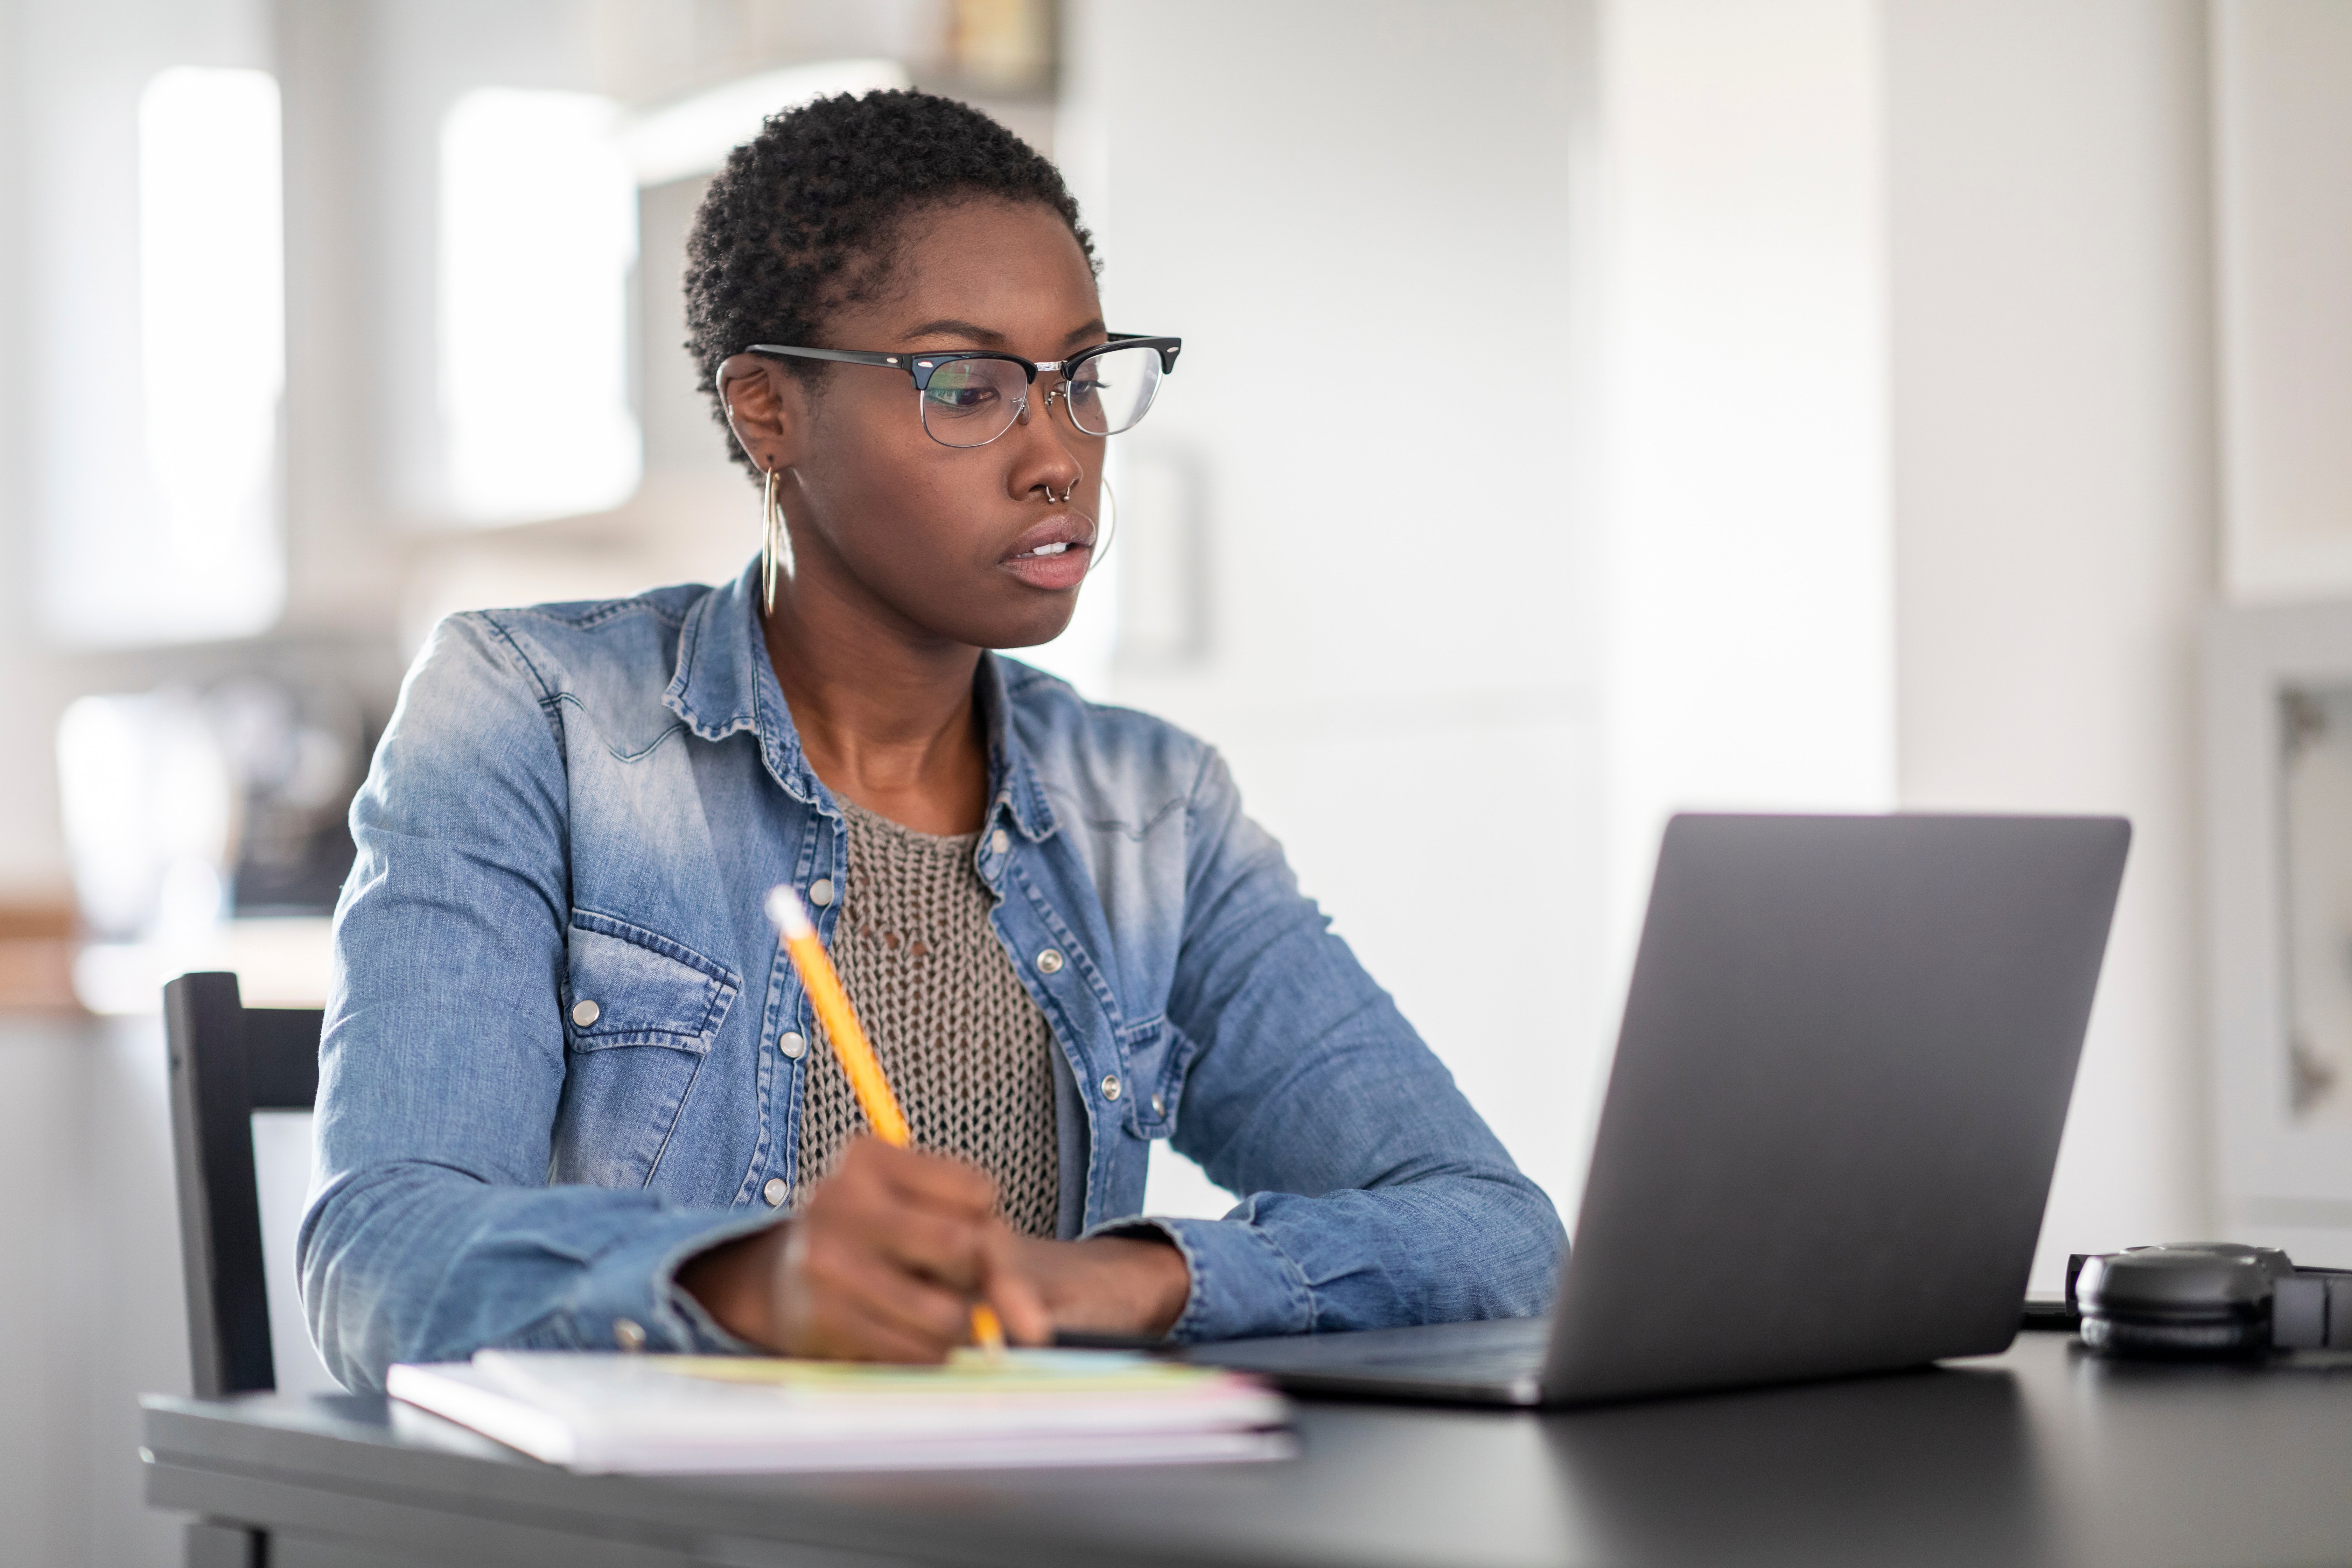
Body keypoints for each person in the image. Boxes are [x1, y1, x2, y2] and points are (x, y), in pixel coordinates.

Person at [302, 89, 1562, 1391]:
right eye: (968, 387)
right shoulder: (534, 717)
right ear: (766, 411)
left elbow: (1494, 1233)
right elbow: (379, 1258)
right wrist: (757, 1283)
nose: (1059, 457)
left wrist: (1127, 1279)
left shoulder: (1149, 810)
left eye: (1077, 379)